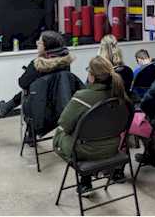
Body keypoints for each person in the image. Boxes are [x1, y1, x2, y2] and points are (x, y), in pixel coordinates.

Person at [53, 56, 129, 193]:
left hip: (86, 151)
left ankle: (85, 181)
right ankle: (90, 177)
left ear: (92, 76)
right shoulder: (121, 96)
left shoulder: (82, 97)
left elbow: (64, 123)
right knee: (89, 130)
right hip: (113, 147)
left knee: (61, 133)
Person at [0, 31, 73, 117]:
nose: (37, 43)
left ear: (46, 47)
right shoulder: (65, 63)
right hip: (61, 106)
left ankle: (8, 106)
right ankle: (7, 106)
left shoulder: (37, 65)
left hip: (40, 111)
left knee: (30, 88)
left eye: (40, 42)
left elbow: (22, 83)